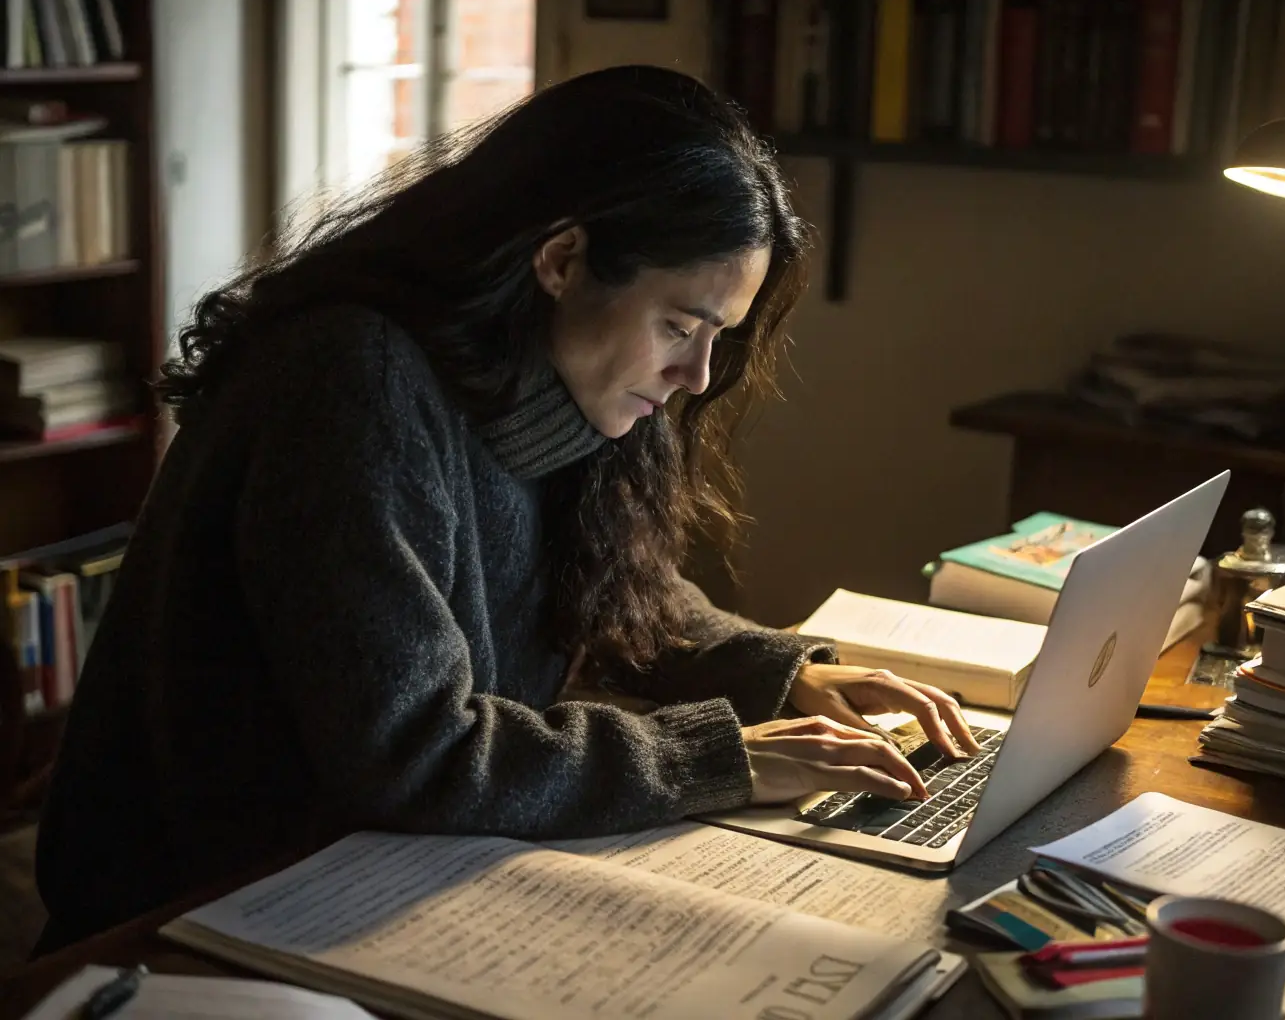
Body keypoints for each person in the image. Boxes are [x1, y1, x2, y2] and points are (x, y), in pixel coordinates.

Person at [33, 65, 979, 954]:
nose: (695, 376)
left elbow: (615, 596)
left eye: (712, 337)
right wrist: (714, 756)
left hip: (386, 870)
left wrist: (782, 676)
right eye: (679, 326)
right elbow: (414, 753)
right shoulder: (351, 381)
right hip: (209, 910)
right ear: (563, 259)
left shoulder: (551, 379)